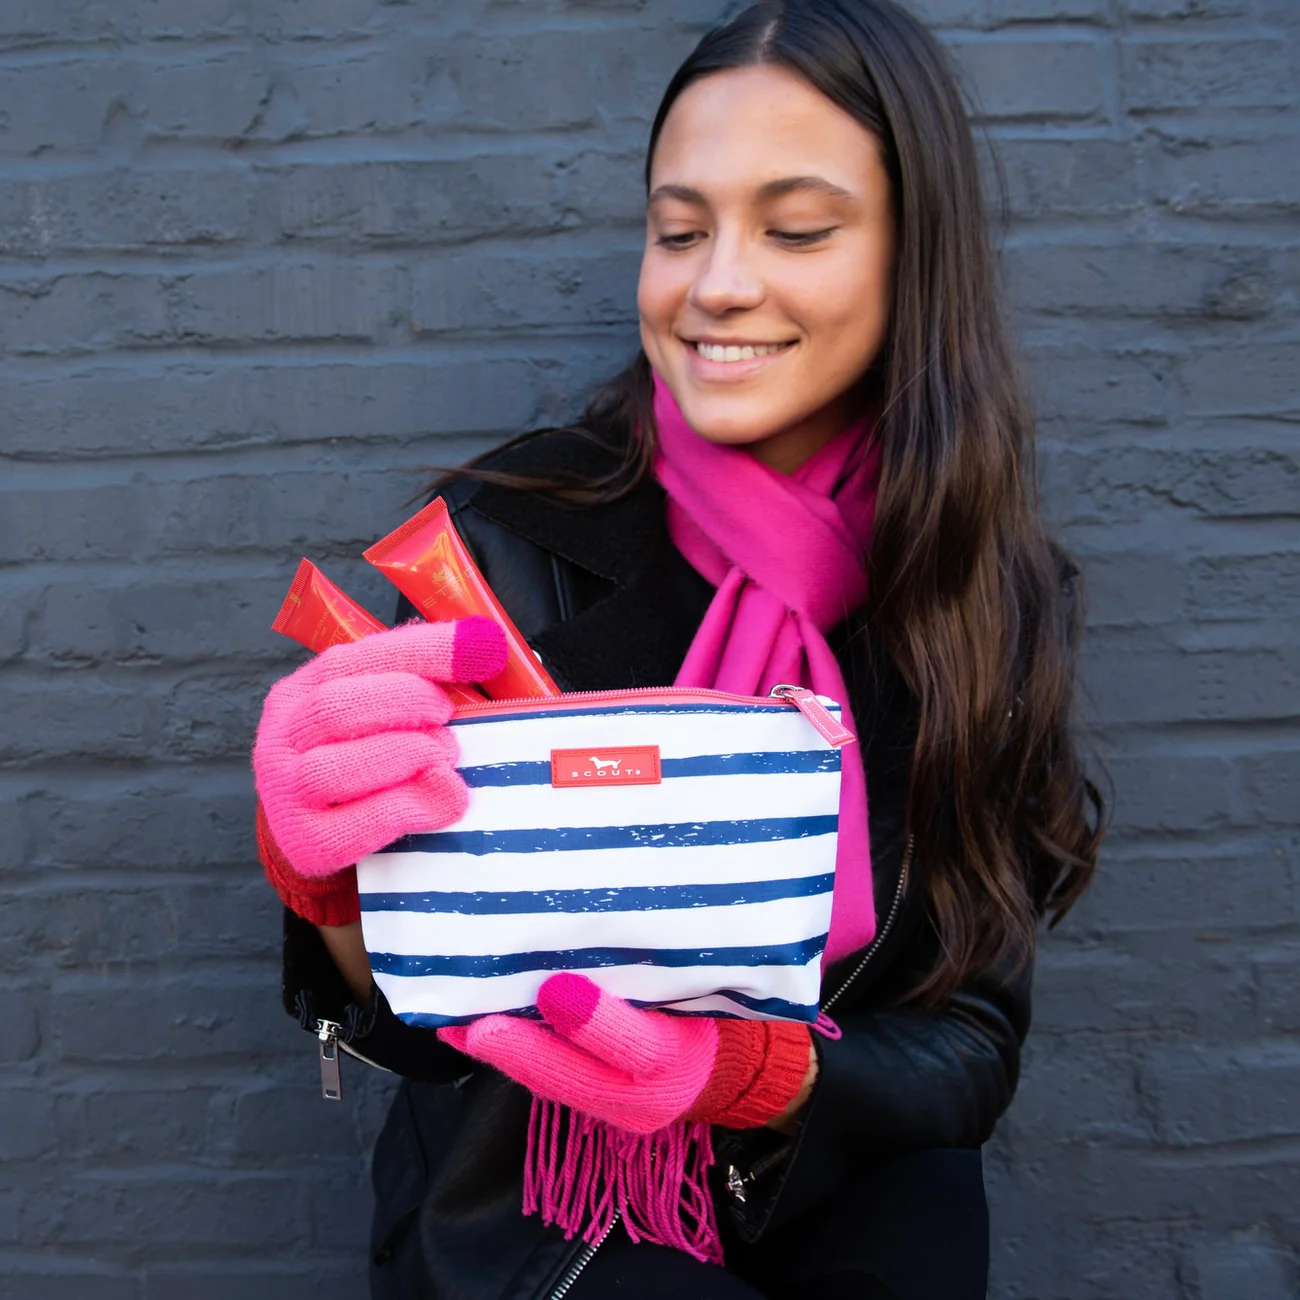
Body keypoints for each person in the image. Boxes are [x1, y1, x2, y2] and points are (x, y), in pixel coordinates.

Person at [251, 2, 1104, 1296]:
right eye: (680, 229)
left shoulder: (982, 587)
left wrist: (753, 1078)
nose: (718, 285)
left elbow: (971, 1047)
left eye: (797, 229)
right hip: (539, 1225)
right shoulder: (508, 547)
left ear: (914, 256)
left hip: (846, 1204)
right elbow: (419, 1031)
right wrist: (323, 876)